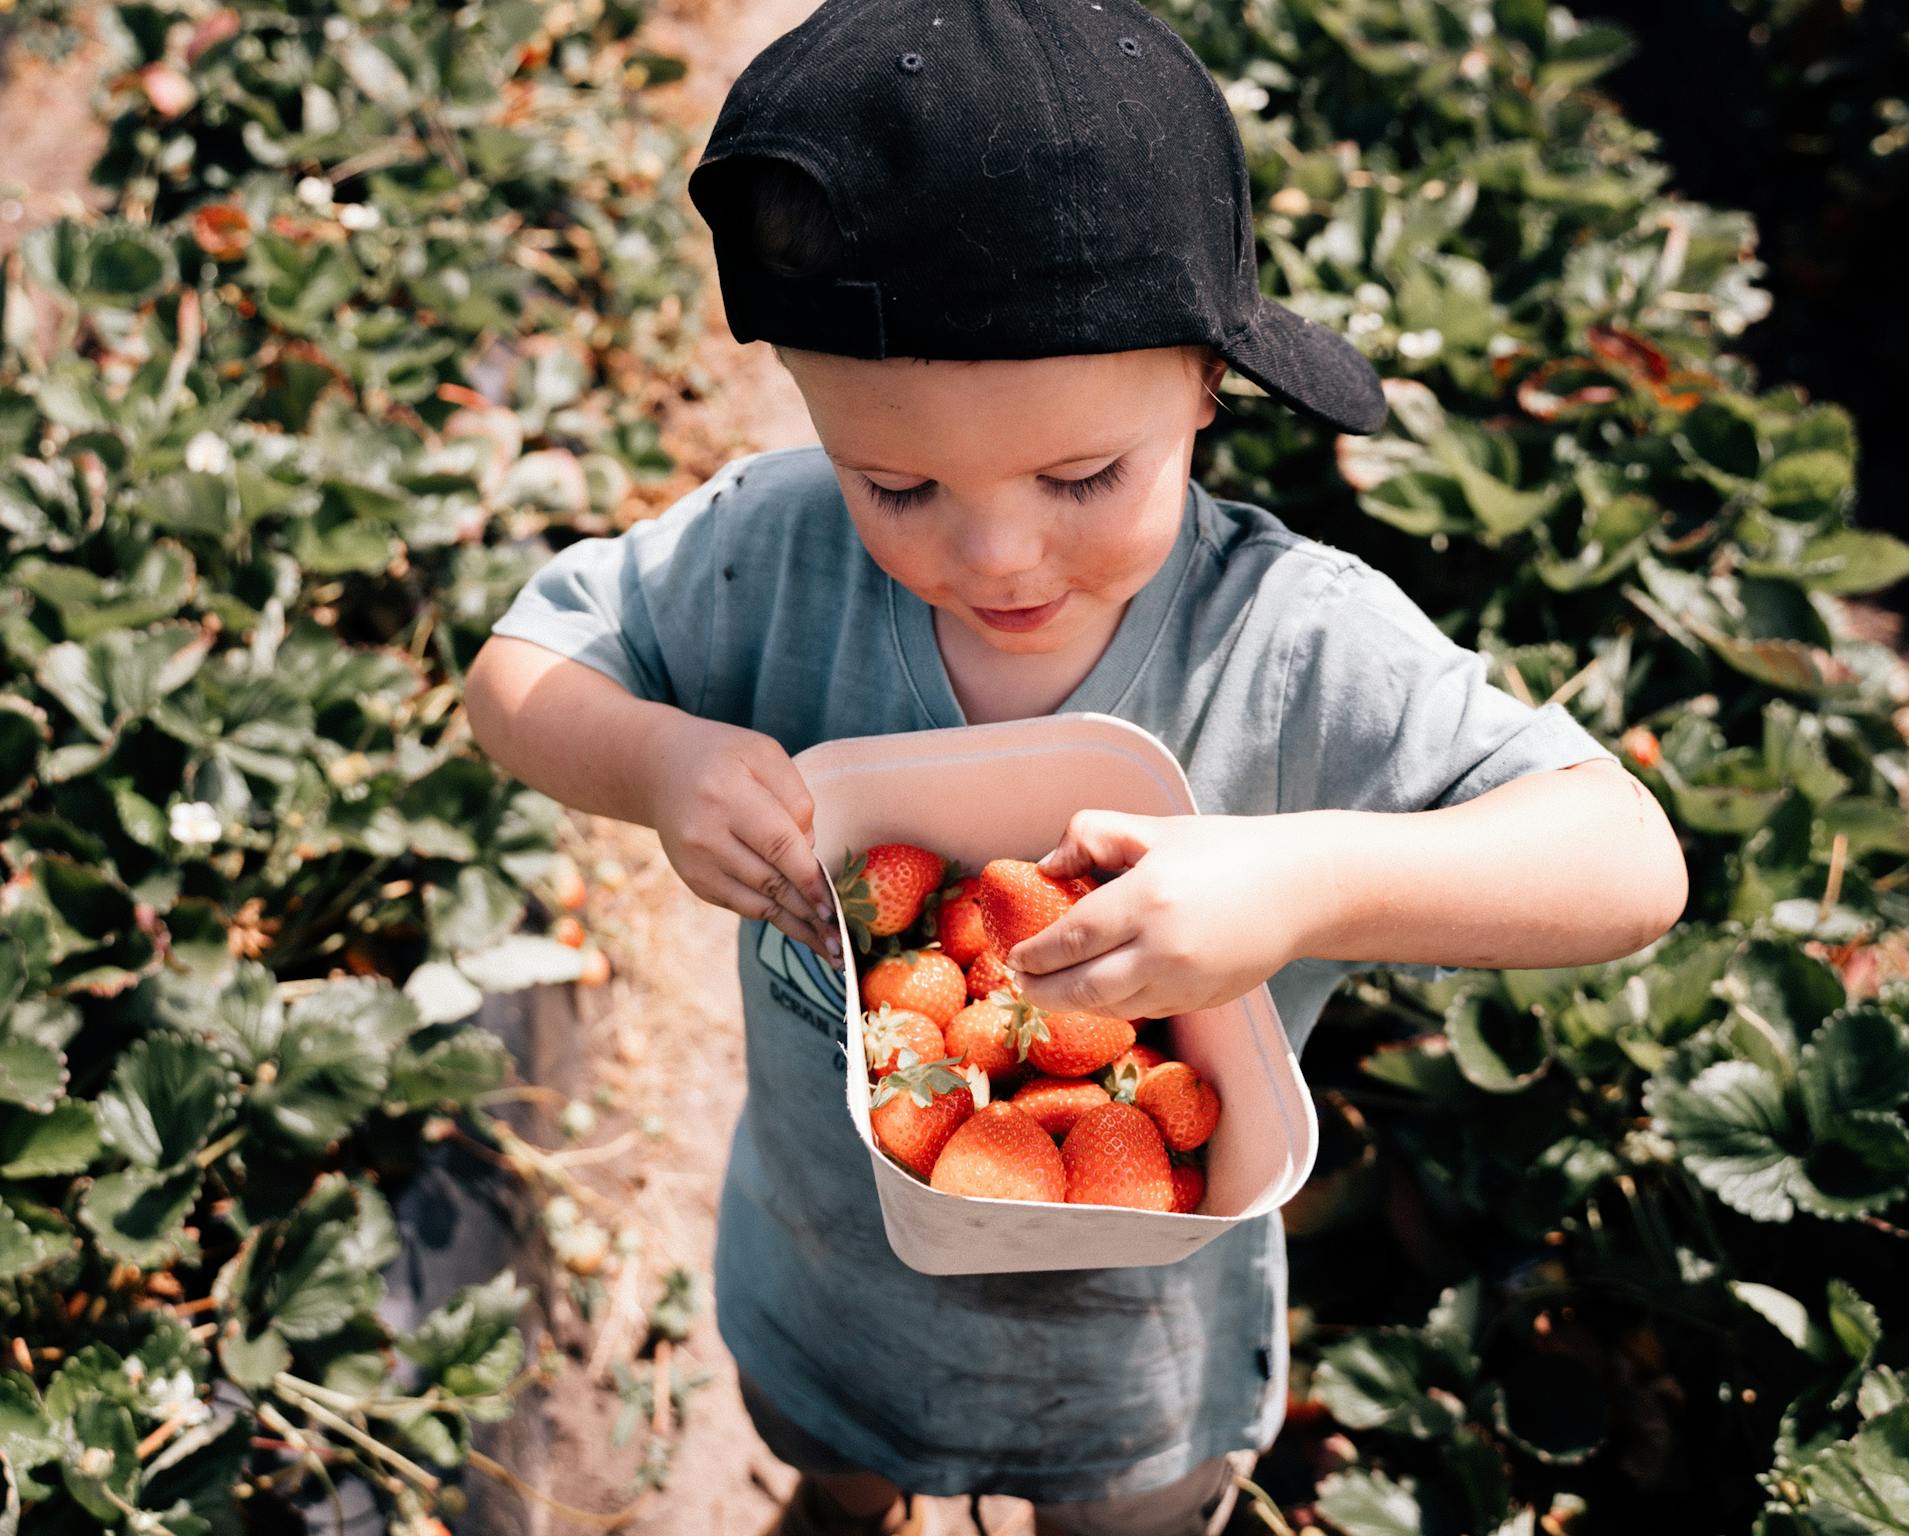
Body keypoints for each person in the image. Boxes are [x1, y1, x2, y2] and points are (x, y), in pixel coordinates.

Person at [462, 2, 1690, 1532]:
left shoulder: (1290, 643)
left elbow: (1630, 860)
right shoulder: (771, 559)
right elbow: (516, 677)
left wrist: (1301, 879)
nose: (994, 553)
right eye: (896, 482)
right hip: (831, 1276)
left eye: (1082, 476)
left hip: (1136, 1356)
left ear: (1206, 385)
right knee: (828, 1465)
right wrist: (653, 758)